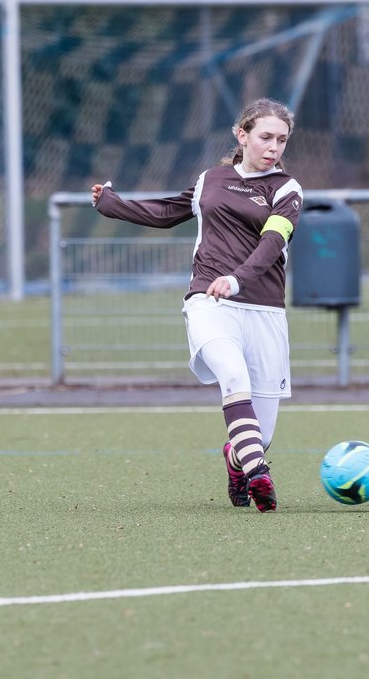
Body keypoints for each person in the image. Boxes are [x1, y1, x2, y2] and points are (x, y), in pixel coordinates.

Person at [90, 98, 303, 512]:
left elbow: (273, 242)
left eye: (281, 140)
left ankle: (239, 458)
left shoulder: (287, 189)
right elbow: (168, 211)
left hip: (265, 310)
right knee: (232, 375)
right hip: (208, 300)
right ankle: (258, 472)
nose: (273, 147)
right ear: (242, 135)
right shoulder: (212, 179)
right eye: (265, 137)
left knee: (261, 431)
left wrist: (239, 279)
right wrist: (112, 204)